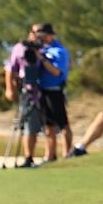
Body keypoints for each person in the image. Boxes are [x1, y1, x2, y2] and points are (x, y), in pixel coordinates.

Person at [4, 32, 45, 168]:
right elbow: (10, 69)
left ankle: (36, 157)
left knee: (39, 126)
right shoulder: (19, 48)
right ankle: (28, 158)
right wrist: (9, 88)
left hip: (43, 92)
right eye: (35, 33)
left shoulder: (44, 48)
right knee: (28, 123)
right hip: (26, 91)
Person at [34, 23, 72, 159]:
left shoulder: (59, 51)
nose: (41, 39)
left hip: (55, 91)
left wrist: (42, 59)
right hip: (42, 91)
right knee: (48, 126)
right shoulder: (41, 49)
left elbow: (56, 72)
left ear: (50, 36)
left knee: (63, 124)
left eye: (43, 36)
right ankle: (50, 155)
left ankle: (67, 153)